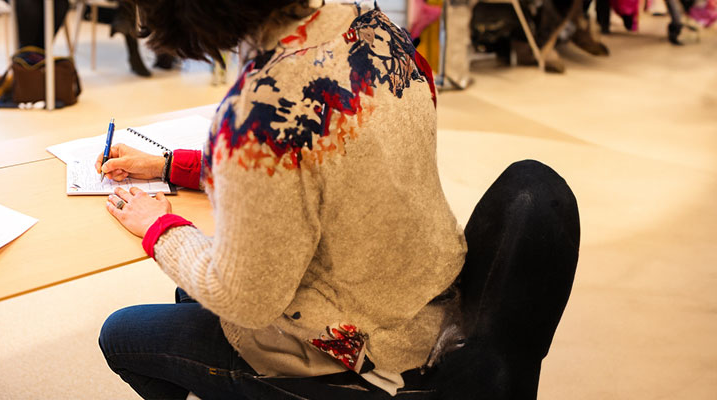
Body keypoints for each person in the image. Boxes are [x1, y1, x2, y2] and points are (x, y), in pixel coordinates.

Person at [94, 0, 466, 397]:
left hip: (366, 350)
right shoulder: (375, 27)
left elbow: (244, 301)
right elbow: (307, 161)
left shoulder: (258, 108)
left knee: (121, 335)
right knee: (189, 294)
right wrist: (168, 167)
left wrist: (160, 228)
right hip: (424, 302)